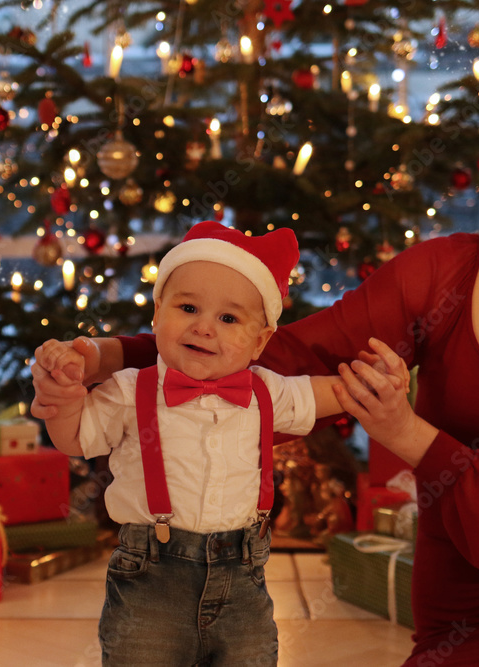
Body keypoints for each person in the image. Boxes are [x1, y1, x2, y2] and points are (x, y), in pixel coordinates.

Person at [32, 59, 479, 666]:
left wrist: (408, 435)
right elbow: (272, 354)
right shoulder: (445, 272)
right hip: (463, 612)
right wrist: (102, 356)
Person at [34, 221, 408, 666]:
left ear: (260, 341)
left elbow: (329, 392)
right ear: (156, 314)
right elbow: (76, 437)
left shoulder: (268, 391)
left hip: (243, 577)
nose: (204, 328)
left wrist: (377, 384)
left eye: (228, 318)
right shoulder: (130, 390)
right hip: (150, 578)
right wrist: (61, 399)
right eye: (188, 308)